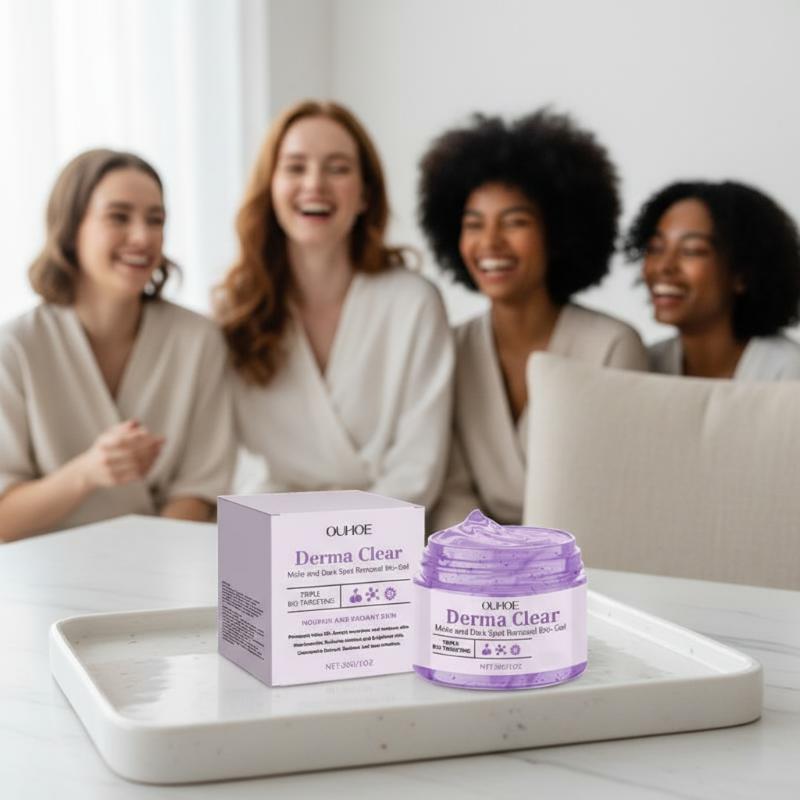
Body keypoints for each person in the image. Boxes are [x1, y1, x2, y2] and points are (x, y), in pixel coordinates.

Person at [217, 100, 453, 508]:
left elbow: (419, 467)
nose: (315, 184)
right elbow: (236, 465)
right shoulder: (235, 311)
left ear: (365, 195)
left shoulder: (414, 304)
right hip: (271, 530)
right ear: (270, 188)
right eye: (295, 167)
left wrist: (343, 528)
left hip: (386, 534)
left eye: (338, 168)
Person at [419, 110, 647, 529]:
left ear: (557, 234)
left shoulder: (612, 346)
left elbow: (622, 488)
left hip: (587, 555)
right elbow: (451, 489)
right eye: (474, 224)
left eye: (515, 222)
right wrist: (488, 554)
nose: (490, 242)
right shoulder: (450, 347)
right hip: (476, 558)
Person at [0, 149, 235, 542]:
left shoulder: (198, 340)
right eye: (119, 217)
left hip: (167, 561)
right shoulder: (16, 348)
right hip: (44, 572)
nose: (142, 237)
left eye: (155, 219)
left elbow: (199, 491)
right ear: (71, 228)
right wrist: (88, 472)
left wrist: (148, 564)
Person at [625, 180, 800, 379]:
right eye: (655, 248)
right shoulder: (646, 364)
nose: (664, 266)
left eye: (691, 251)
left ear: (742, 273)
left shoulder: (788, 371)